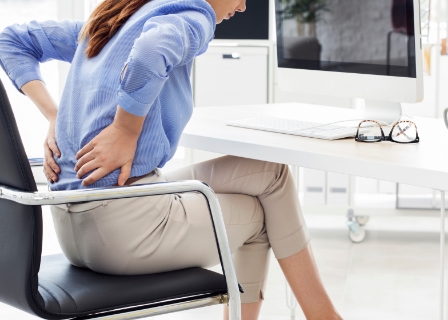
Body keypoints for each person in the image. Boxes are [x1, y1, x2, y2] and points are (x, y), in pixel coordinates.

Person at [0, 0, 342, 319]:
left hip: (75, 221)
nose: (243, 5)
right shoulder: (194, 15)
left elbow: (10, 39)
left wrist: (54, 116)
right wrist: (125, 128)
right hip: (121, 229)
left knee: (271, 174)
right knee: (260, 215)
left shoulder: (112, 21)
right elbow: (152, 50)